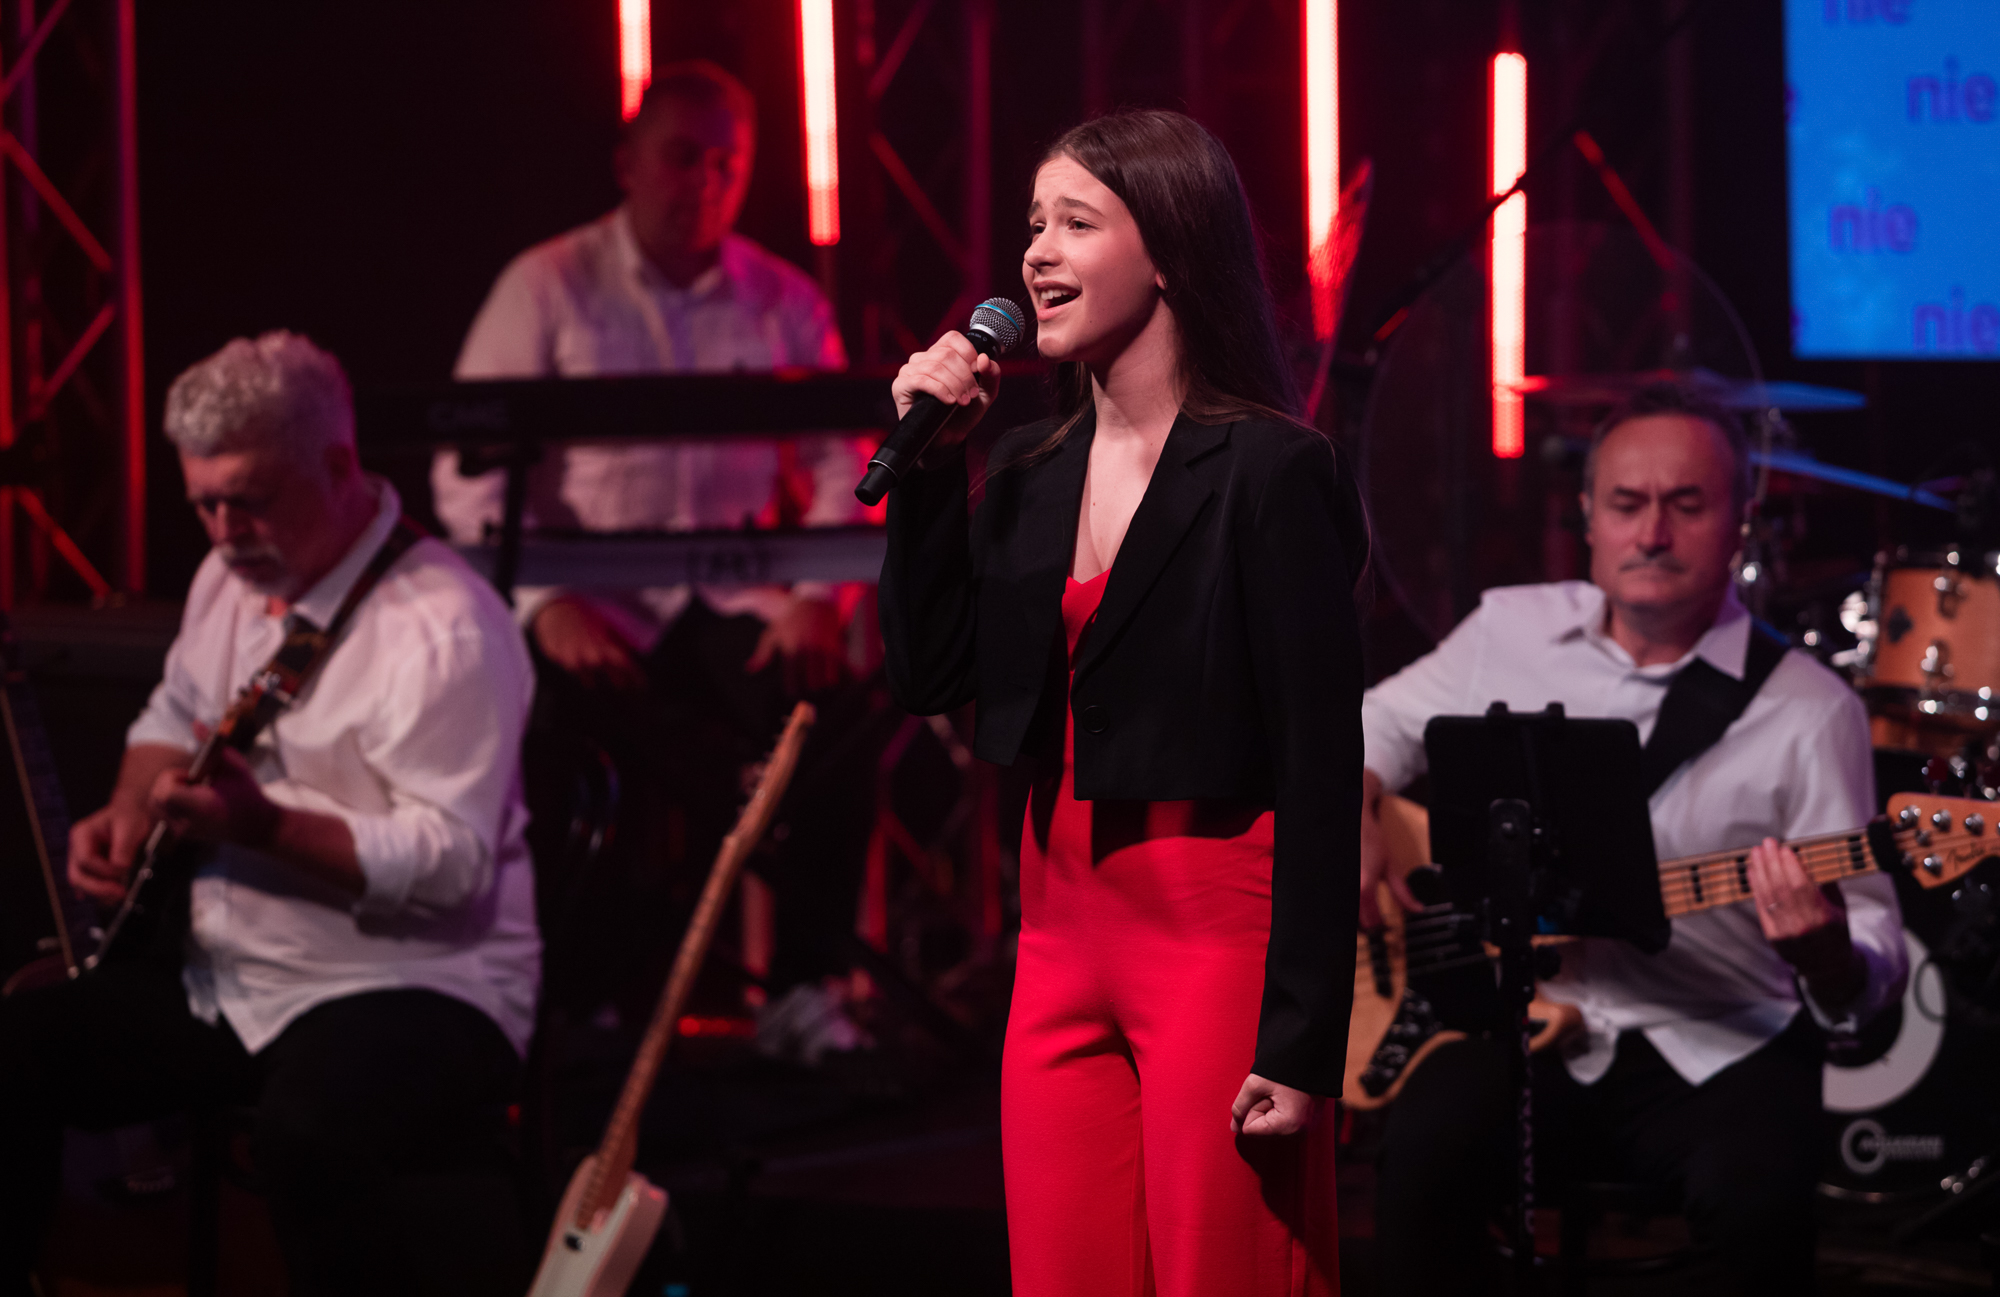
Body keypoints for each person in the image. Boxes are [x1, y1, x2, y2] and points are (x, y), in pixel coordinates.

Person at [878, 110, 1365, 1296]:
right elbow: (929, 675)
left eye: (1075, 223)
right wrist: (930, 472)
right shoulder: (1027, 471)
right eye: (1032, 225)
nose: (1035, 253)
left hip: (1211, 940)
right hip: (1056, 943)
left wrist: (1304, 1037)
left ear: (1169, 252)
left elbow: (1318, 766)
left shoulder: (1270, 470)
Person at [0, 333, 539, 1297]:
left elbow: (453, 866)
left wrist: (265, 828)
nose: (222, 531)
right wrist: (127, 811)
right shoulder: (228, 578)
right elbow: (170, 714)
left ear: (337, 466)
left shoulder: (445, 626)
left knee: (310, 1131)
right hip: (235, 976)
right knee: (15, 1047)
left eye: (248, 499)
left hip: (417, 984)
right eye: (203, 503)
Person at [1361, 384, 1907, 1293]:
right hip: (1525, 1018)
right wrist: (1356, 813)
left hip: (1719, 1038)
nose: (1652, 532)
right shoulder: (1509, 629)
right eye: (1627, 503)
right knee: (1419, 1154)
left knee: (1762, 1202)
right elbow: (1367, 729)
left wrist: (1829, 954)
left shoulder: (1813, 709)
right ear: (1587, 515)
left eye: (1686, 504)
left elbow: (1875, 937)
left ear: (1741, 523)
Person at [430, 60, 870, 1049]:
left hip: (735, 604)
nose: (705, 182)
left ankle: (806, 987)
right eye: (683, 157)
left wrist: (818, 595)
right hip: (596, 604)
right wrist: (545, 603)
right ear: (627, 163)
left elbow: (845, 463)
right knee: (548, 727)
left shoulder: (785, 300)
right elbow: (468, 474)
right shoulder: (545, 286)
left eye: (727, 164)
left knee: (834, 720)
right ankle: (576, 1002)